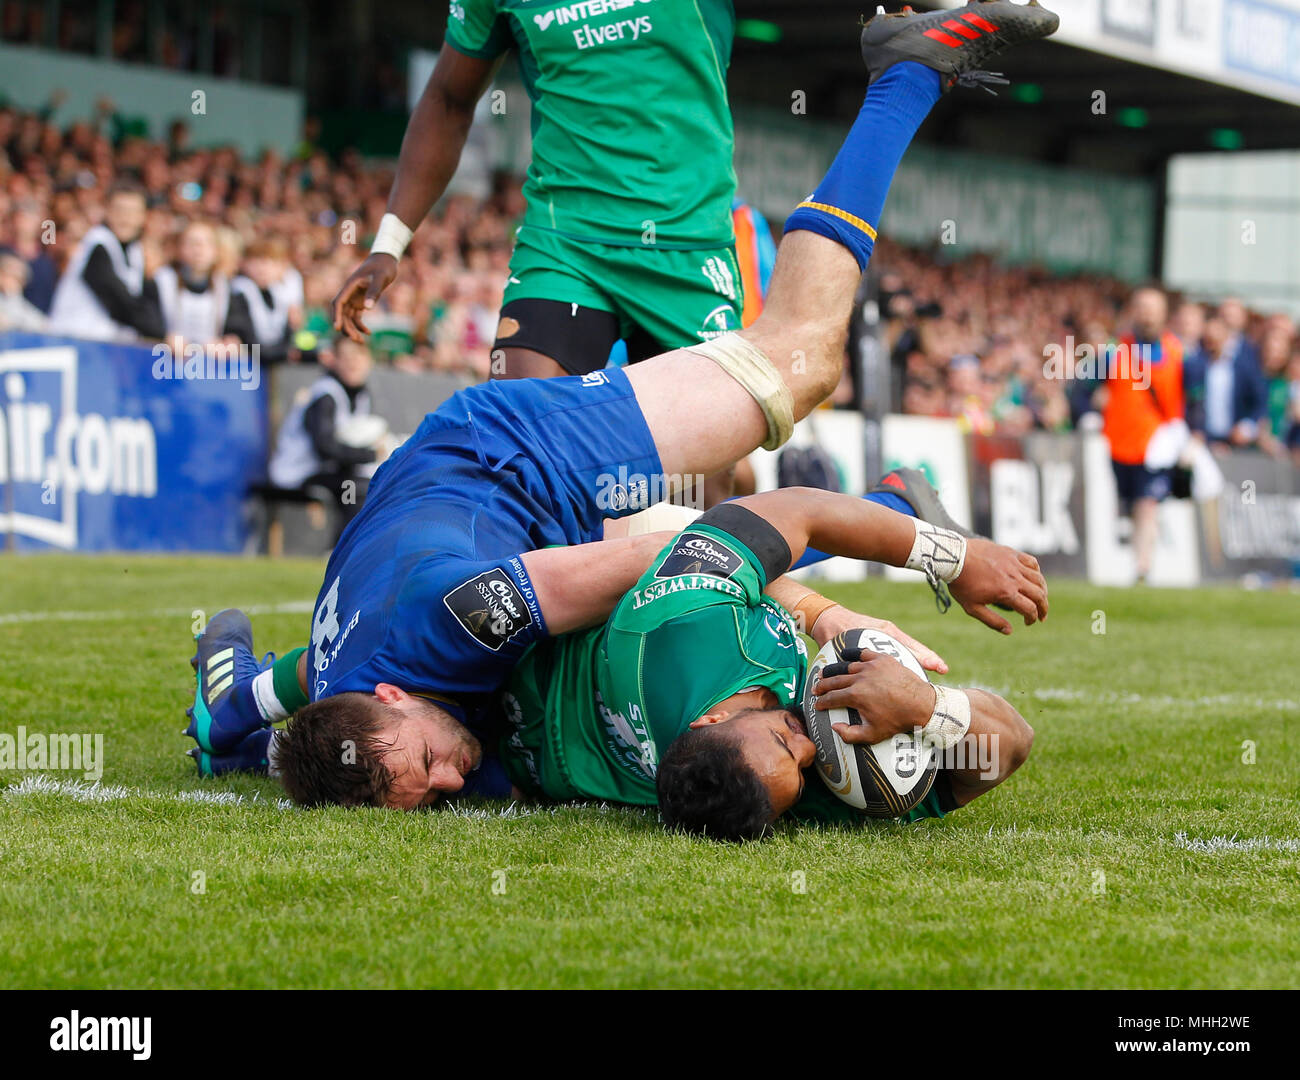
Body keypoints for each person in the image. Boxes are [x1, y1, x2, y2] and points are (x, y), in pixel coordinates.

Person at [186, 1, 1060, 807]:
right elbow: (314, 679)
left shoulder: (462, 621)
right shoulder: (365, 690)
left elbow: (677, 555)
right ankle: (879, 505)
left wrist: (880, 585)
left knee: (795, 362)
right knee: (657, 530)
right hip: (539, 304)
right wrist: (231, 718)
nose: (451, 787)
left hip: (514, 452)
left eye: (426, 767)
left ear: (388, 702)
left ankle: (904, 74)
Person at [331, 0, 749, 380]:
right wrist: (388, 243)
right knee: (517, 436)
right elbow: (448, 99)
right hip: (565, 245)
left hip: (688, 245)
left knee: (699, 459)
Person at [1101, 287, 1183, 583]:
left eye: (1153, 307)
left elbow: (1192, 397)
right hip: (1119, 442)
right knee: (1127, 503)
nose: (1147, 313)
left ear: (1164, 313)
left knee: (1147, 502)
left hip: (1157, 444)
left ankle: (1142, 566)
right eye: (1141, 306)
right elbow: (1085, 388)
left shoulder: (1177, 352)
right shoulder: (1113, 350)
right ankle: (1129, 558)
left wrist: (1191, 435)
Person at [266, 337, 384, 542]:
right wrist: (370, 455)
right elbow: (325, 447)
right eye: (346, 357)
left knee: (368, 484)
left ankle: (348, 547)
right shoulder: (325, 395)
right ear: (335, 360)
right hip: (298, 471)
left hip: (329, 470)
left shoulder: (362, 396)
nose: (353, 363)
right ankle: (341, 550)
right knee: (354, 488)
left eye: (358, 356)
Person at [47, 178, 164, 342]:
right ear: (107, 211)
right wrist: (161, 334)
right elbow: (121, 305)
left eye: (133, 212)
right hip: (75, 344)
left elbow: (146, 305)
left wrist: (150, 279)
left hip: (105, 349)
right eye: (120, 210)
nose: (126, 218)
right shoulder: (97, 245)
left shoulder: (136, 252)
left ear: (143, 216)